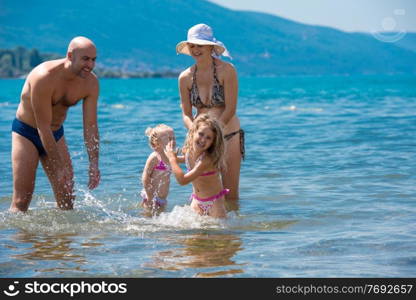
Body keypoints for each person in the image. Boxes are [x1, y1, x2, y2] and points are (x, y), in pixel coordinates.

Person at [10, 36, 100, 212]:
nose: (90, 65)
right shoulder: (44, 77)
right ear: (70, 55)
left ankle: (62, 239)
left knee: (67, 199)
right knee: (21, 202)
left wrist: (94, 163)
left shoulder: (91, 83)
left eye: (93, 60)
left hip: (56, 133)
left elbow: (90, 127)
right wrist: (59, 168)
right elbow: (42, 127)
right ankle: (15, 239)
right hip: (27, 133)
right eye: (85, 59)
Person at [176, 23, 244, 201]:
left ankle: (229, 229)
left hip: (228, 134)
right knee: (202, 193)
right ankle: (205, 228)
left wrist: (215, 133)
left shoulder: (227, 70)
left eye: (200, 45)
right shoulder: (185, 77)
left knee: (231, 194)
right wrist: (194, 132)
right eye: (192, 45)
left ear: (210, 47)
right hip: (200, 139)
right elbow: (186, 114)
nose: (196, 49)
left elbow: (231, 108)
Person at [165, 114, 227, 218]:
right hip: (197, 200)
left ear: (213, 142)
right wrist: (170, 156)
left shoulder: (206, 160)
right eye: (201, 134)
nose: (203, 140)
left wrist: (172, 159)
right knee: (194, 234)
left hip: (214, 202)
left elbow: (183, 180)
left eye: (208, 138)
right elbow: (184, 159)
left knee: (219, 232)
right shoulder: (189, 150)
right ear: (193, 132)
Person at [141, 124, 175, 213]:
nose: (173, 141)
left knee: (159, 221)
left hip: (162, 199)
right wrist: (149, 196)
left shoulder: (171, 156)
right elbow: (145, 177)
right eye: (169, 139)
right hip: (151, 197)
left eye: (174, 138)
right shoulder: (155, 157)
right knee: (148, 217)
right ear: (157, 143)